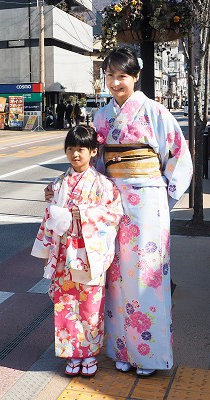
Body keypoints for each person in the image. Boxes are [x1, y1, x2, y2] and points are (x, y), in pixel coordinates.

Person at [93, 47, 193, 377]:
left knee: (147, 276)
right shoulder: (102, 117)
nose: (115, 82)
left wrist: (163, 197)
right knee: (117, 277)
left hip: (148, 204)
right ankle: (122, 349)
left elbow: (179, 157)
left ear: (135, 77)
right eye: (109, 75)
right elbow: (97, 163)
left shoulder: (155, 112)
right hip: (113, 204)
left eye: (122, 75)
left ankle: (148, 355)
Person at [32, 126, 123, 378]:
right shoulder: (60, 182)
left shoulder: (103, 184)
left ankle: (90, 353)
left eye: (81, 149)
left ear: (93, 152)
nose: (75, 154)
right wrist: (51, 199)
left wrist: (83, 213)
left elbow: (114, 214)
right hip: (64, 252)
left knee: (91, 304)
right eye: (70, 149)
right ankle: (72, 354)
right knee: (65, 304)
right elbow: (51, 201)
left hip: (89, 253)